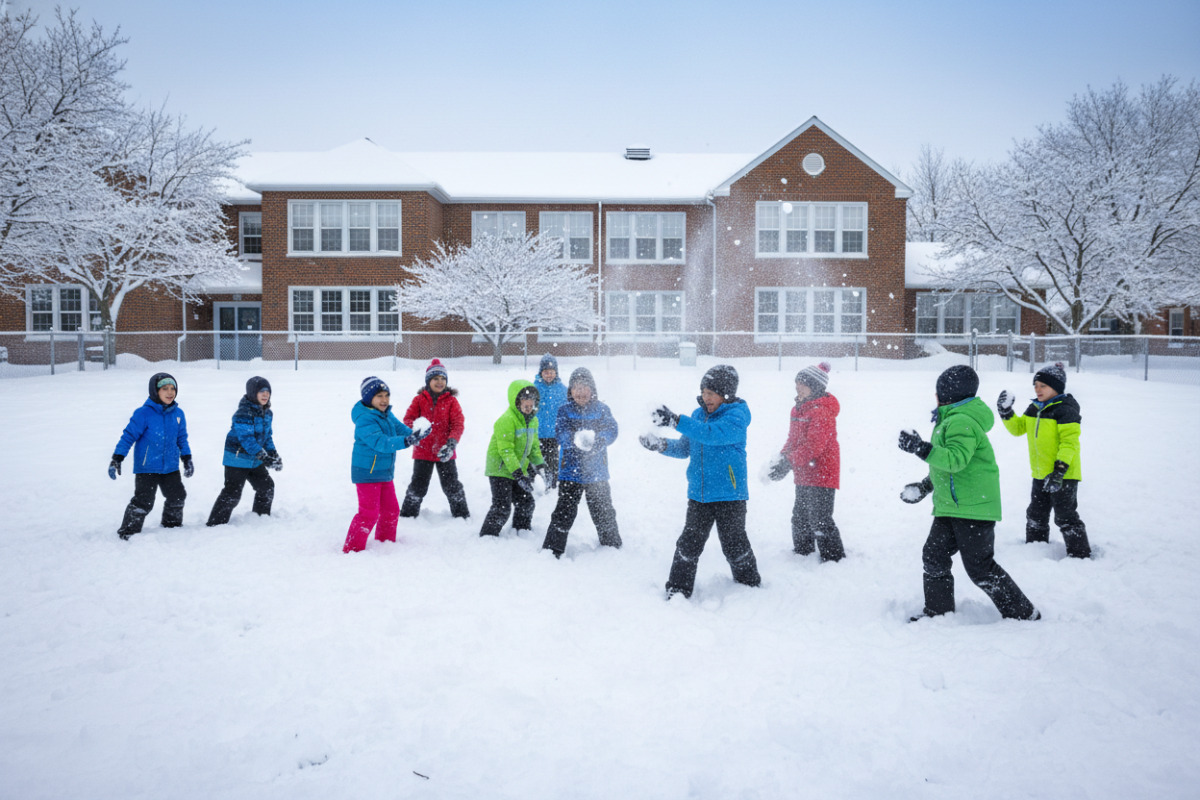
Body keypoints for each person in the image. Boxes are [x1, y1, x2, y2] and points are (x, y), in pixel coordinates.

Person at [898, 364, 1040, 621]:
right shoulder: (951, 420)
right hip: (951, 507)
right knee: (934, 554)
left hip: (973, 508)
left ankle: (1024, 613)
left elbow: (955, 460)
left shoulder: (961, 421)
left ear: (947, 395)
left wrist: (921, 448)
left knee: (980, 569)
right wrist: (925, 486)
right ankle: (938, 611)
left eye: (938, 392)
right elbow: (946, 469)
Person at [641, 364, 761, 599]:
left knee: (734, 544)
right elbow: (686, 447)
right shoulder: (697, 416)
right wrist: (661, 445)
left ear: (726, 395)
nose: (706, 398)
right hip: (699, 494)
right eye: (704, 392)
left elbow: (711, 435)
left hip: (730, 494)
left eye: (712, 393)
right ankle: (678, 590)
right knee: (688, 544)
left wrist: (675, 420)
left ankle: (749, 587)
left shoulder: (736, 417)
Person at [997, 362, 1091, 558]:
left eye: (1043, 386)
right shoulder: (1034, 408)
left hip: (1063, 475)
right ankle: (1036, 548)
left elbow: (1069, 443)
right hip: (1040, 474)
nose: (1037, 390)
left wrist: (1059, 470)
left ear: (1056, 388)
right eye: (1036, 386)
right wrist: (1006, 412)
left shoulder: (1066, 410)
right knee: (1035, 514)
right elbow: (1018, 428)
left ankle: (1080, 554)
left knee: (1065, 515)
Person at [768, 362, 845, 561]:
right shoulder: (797, 410)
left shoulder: (822, 411)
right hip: (803, 471)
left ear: (815, 387)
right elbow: (792, 440)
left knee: (820, 519)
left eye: (803, 384)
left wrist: (788, 463)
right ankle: (802, 553)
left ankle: (833, 557)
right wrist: (781, 459)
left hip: (822, 472)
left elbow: (814, 447)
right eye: (797, 383)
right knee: (800, 516)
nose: (797, 387)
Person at [344, 376, 429, 553]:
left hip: (384, 472)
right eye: (379, 396)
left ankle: (385, 543)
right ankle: (352, 549)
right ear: (369, 398)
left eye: (386, 395)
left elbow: (400, 429)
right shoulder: (364, 419)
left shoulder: (386, 414)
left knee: (391, 510)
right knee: (369, 514)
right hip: (367, 472)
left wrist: (416, 435)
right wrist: (407, 441)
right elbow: (381, 442)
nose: (384, 400)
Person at [542, 368, 621, 557]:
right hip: (571, 472)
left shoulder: (602, 410)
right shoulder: (564, 410)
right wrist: (574, 441)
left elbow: (612, 429)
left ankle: (611, 546)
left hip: (597, 473)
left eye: (584, 387)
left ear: (592, 389)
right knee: (564, 512)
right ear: (570, 391)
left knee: (603, 511)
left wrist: (600, 440)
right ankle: (553, 549)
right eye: (576, 387)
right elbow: (560, 433)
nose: (580, 392)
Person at [108, 372, 193, 540]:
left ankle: (172, 526)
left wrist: (187, 458)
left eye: (172, 389)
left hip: (170, 466)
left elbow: (181, 438)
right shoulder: (143, 413)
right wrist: (117, 458)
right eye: (164, 389)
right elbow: (128, 436)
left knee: (177, 496)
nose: (170, 393)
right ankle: (128, 532)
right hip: (147, 467)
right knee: (144, 501)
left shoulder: (178, 414)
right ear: (155, 391)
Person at [206, 376, 282, 526]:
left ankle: (260, 518)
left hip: (254, 460)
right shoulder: (243, 413)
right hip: (237, 458)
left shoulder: (267, 413)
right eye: (261, 392)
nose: (265, 395)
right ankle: (215, 524)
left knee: (266, 487)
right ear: (253, 393)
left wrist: (273, 454)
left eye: (267, 392)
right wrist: (263, 456)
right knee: (232, 492)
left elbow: (267, 437)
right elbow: (247, 439)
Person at [399, 358, 469, 519]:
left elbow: (458, 424)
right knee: (418, 485)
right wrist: (415, 430)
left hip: (445, 451)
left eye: (443, 379)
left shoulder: (452, 401)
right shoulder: (419, 400)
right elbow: (408, 419)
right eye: (435, 379)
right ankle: (408, 516)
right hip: (423, 452)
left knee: (452, 486)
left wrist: (451, 444)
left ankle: (461, 515)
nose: (440, 382)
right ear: (428, 381)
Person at [480, 379, 547, 537]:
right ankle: (488, 535)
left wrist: (541, 466)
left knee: (526, 503)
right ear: (516, 401)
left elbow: (534, 448)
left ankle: (521, 530)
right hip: (500, 469)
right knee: (502, 507)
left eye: (532, 402)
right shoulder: (506, 420)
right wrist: (518, 474)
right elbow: (506, 450)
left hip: (518, 468)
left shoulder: (533, 421)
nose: (529, 405)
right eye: (525, 401)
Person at [533, 354, 567, 490]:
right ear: (541, 373)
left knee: (552, 458)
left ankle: (552, 481)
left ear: (556, 373)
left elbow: (567, 407)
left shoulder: (562, 389)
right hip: (538, 432)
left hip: (554, 433)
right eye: (546, 372)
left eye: (551, 372)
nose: (549, 375)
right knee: (538, 458)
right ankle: (538, 481)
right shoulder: (534, 388)